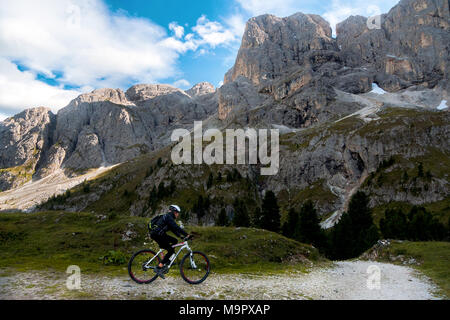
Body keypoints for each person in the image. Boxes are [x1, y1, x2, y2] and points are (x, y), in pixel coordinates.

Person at [149, 204, 190, 278]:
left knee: (174, 240)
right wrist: (187, 234)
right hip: (158, 235)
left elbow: (173, 229)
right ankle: (158, 268)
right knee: (170, 250)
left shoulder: (167, 217)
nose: (178, 215)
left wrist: (181, 236)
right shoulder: (169, 217)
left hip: (157, 234)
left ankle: (167, 260)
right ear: (175, 212)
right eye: (177, 213)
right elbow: (176, 227)